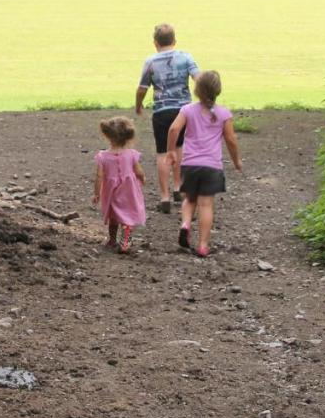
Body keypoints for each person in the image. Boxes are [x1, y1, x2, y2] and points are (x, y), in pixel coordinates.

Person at [167, 70, 241, 258]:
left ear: (197, 90)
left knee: (189, 199)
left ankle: (185, 223)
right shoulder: (224, 113)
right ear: (218, 90)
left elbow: (174, 128)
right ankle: (202, 245)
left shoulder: (187, 110)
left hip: (190, 164)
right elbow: (231, 140)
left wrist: (171, 151)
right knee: (206, 205)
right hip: (212, 166)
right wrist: (236, 161)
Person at [134, 23, 200, 214]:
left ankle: (164, 197)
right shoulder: (185, 57)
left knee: (163, 153)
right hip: (184, 111)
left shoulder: (151, 62)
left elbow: (142, 88)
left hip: (162, 111)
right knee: (179, 148)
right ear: (174, 41)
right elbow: (199, 78)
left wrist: (138, 105)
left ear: (155, 42)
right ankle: (178, 187)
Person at [92, 116, 147, 253]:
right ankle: (126, 234)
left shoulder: (102, 156)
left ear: (108, 135)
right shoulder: (131, 154)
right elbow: (138, 170)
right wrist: (142, 178)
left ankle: (112, 240)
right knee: (126, 211)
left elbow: (99, 176)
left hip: (111, 190)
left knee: (113, 215)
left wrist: (96, 193)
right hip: (129, 189)